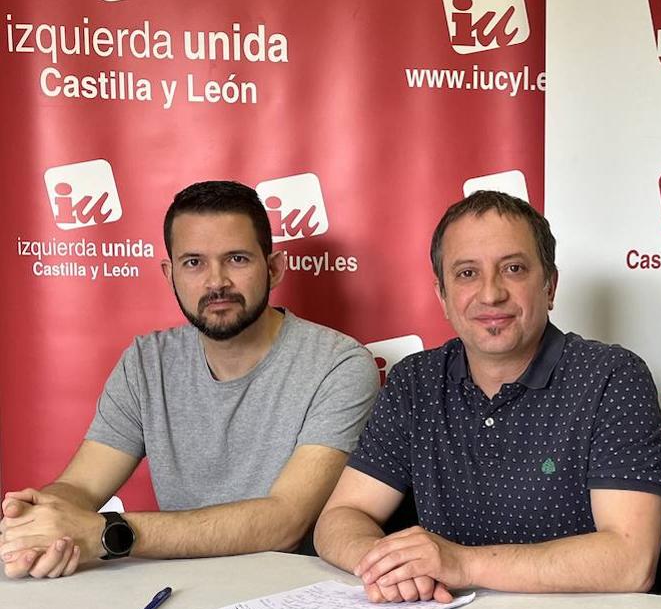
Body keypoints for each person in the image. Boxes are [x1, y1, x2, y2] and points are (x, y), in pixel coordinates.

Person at [0, 181, 379, 578]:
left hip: (290, 600)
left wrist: (110, 534)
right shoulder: (147, 362)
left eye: (236, 259)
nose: (216, 282)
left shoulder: (340, 365)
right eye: (193, 262)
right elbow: (81, 487)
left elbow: (286, 521)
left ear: (274, 268)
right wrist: (41, 519)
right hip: (171, 592)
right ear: (170, 274)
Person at [315, 190, 661, 602]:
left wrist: (460, 563)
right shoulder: (415, 381)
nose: (490, 293)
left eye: (514, 269)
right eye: (466, 273)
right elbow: (340, 518)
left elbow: (630, 560)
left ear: (550, 286)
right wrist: (390, 564)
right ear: (442, 297)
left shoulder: (611, 378)